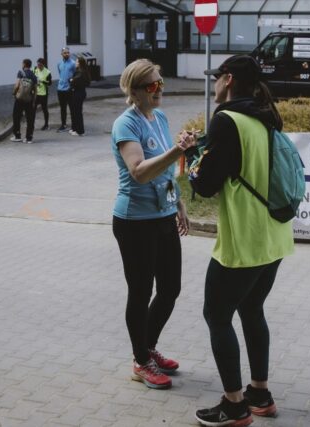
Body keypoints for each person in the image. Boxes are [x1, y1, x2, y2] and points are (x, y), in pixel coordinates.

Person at [185, 55, 293, 426]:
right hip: (275, 237)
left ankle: (234, 406)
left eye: (217, 78)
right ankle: (259, 394)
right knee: (251, 309)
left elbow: (208, 183)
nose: (214, 85)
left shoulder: (227, 120)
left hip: (245, 240)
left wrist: (190, 159)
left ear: (228, 79)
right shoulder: (266, 115)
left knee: (216, 314)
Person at [111, 59, 195, 390]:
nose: (160, 90)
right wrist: (178, 150)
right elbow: (140, 171)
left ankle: (147, 348)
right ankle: (140, 361)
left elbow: (166, 174)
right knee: (141, 290)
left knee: (170, 288)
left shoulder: (159, 117)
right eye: (153, 85)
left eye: (161, 83)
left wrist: (179, 203)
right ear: (134, 91)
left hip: (163, 215)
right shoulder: (125, 124)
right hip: (134, 221)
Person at [11, 58, 37, 143]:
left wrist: (14, 93)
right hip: (29, 100)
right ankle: (29, 137)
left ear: (24, 64)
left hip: (20, 99)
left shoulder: (21, 73)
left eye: (22, 63)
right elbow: (35, 90)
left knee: (16, 116)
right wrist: (33, 101)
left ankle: (17, 135)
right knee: (30, 118)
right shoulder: (33, 75)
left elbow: (17, 85)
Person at [68, 56, 90, 136]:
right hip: (79, 92)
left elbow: (73, 81)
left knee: (77, 112)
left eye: (77, 62)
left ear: (80, 63)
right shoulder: (81, 71)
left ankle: (80, 131)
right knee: (75, 111)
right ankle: (74, 128)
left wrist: (71, 80)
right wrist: (71, 80)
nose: (75, 63)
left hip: (78, 93)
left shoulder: (81, 72)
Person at [56, 47, 76, 132]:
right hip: (60, 89)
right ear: (61, 54)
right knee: (62, 108)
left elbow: (75, 75)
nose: (66, 54)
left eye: (68, 52)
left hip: (69, 89)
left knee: (72, 108)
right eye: (65, 53)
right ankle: (63, 124)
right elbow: (60, 74)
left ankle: (74, 125)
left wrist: (72, 86)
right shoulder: (59, 63)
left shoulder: (73, 63)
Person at [33, 57, 52, 130]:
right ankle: (32, 123)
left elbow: (50, 83)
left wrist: (42, 81)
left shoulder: (47, 72)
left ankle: (46, 124)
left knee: (44, 109)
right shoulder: (35, 69)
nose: (38, 66)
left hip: (43, 94)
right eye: (38, 65)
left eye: (40, 65)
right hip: (36, 93)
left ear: (43, 65)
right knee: (33, 109)